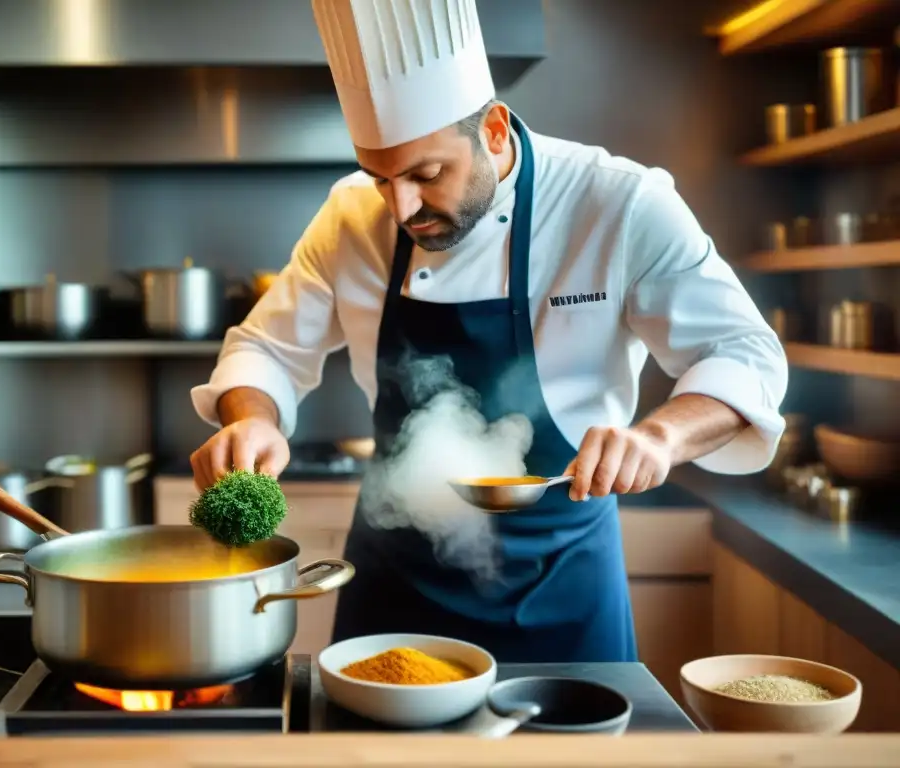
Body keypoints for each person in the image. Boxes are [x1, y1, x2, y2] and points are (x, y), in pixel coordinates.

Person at [189, 0, 787, 663]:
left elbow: (744, 352)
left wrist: (661, 436)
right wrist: (254, 419)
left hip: (562, 581)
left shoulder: (618, 203)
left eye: (426, 173)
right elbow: (266, 347)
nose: (402, 206)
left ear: (495, 131)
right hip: (395, 584)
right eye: (380, 177)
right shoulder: (351, 218)